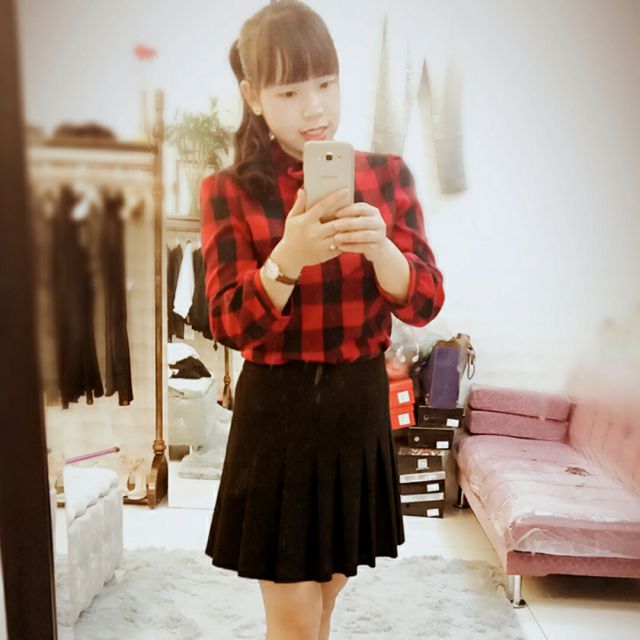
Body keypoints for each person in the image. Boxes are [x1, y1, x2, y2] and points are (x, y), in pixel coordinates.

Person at [200, 2, 445, 638]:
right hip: (277, 414)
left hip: (355, 408)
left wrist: (383, 249)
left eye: (326, 84)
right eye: (290, 92)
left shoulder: (388, 177)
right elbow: (228, 323)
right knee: (293, 619)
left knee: (325, 602)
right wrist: (287, 259)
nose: (314, 108)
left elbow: (424, 302)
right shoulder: (230, 190)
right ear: (254, 97)